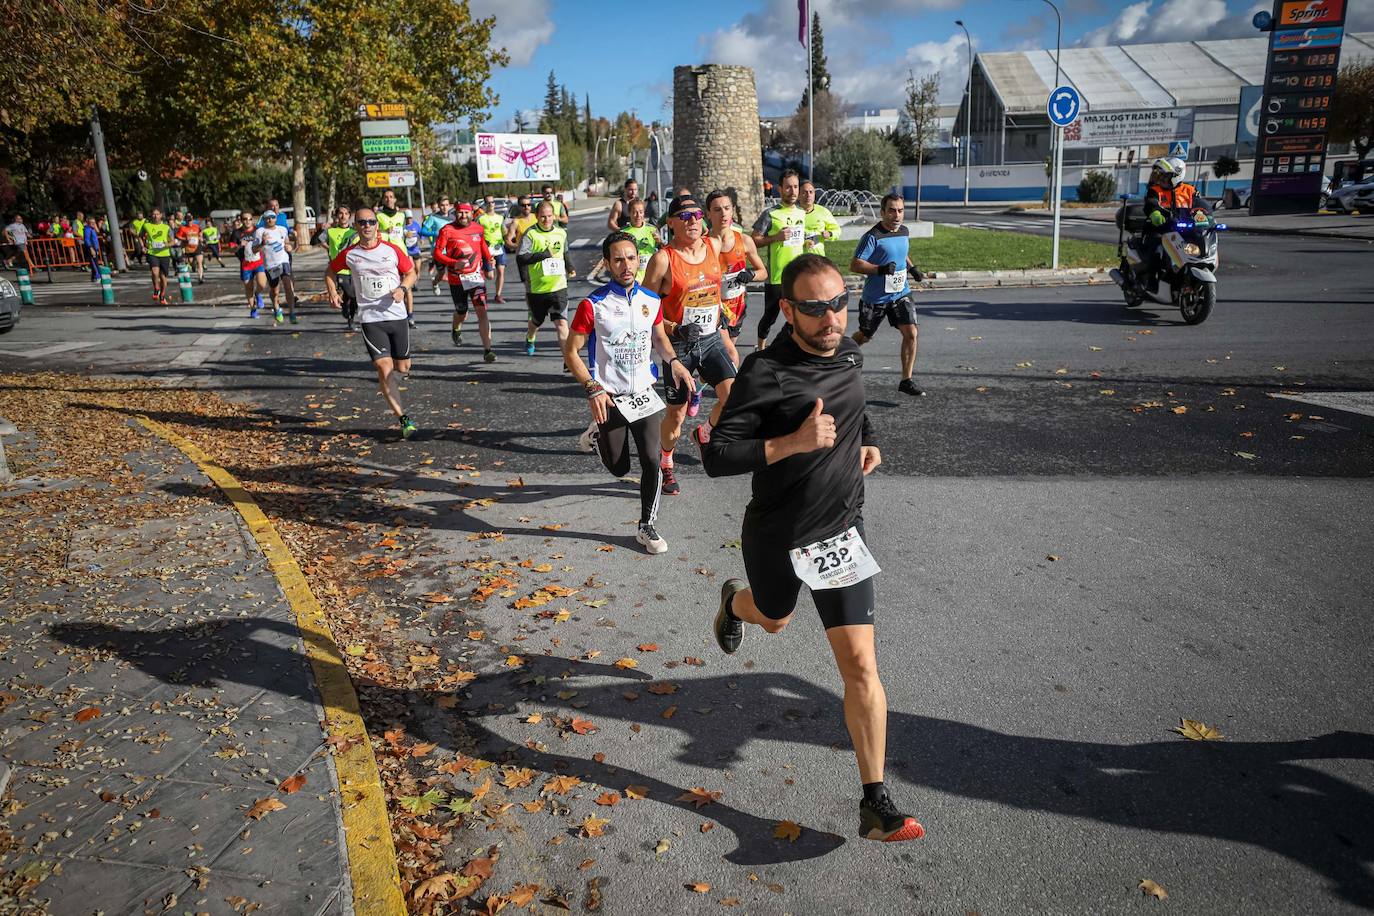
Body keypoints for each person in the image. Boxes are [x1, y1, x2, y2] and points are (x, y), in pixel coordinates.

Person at [700, 252, 924, 845]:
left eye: (837, 304)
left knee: (861, 666)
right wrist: (790, 443)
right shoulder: (764, 372)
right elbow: (716, 456)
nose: (830, 318)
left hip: (840, 531)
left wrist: (868, 439)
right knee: (774, 618)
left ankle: (875, 802)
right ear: (788, 310)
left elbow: (855, 405)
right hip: (777, 533)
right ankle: (734, 603)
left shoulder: (847, 350)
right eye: (816, 308)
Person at [564, 231, 696, 555]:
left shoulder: (651, 301)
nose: (626, 265)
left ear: (640, 260)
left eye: (631, 258)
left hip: (644, 393)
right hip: (609, 397)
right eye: (618, 259)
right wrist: (592, 388)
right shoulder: (593, 305)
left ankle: (646, 527)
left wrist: (675, 363)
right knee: (619, 468)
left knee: (652, 460)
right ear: (607, 263)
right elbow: (571, 351)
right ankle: (597, 436)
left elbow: (660, 340)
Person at [641, 194, 737, 496]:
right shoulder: (663, 259)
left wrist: (724, 330)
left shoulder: (714, 246)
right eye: (684, 216)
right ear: (671, 223)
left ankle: (705, 432)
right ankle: (666, 463)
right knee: (677, 415)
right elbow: (644, 309)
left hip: (710, 340)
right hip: (679, 348)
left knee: (733, 397)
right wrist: (675, 328)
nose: (693, 220)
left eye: (696, 214)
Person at [325, 207, 419, 439]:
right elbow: (330, 270)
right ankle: (403, 418)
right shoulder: (350, 254)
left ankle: (398, 379)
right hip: (370, 319)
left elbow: (411, 273)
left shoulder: (392, 250)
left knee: (402, 367)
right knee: (383, 367)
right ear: (356, 227)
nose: (367, 226)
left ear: (377, 225)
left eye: (371, 222)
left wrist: (402, 288)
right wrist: (332, 292)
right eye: (362, 222)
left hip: (396, 316)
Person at [850, 193, 924, 397]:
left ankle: (906, 380)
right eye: (891, 210)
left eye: (900, 210)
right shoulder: (872, 237)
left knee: (911, 333)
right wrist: (880, 269)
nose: (896, 215)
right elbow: (855, 264)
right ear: (882, 212)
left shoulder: (904, 231)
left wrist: (912, 268)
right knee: (864, 336)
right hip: (876, 298)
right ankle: (841, 350)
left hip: (901, 293)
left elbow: (901, 253)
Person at [707, 189, 766, 363]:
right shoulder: (704, 245)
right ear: (708, 214)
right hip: (714, 308)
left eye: (727, 208)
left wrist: (750, 274)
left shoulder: (745, 241)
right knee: (731, 356)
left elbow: (763, 272)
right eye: (717, 209)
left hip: (738, 307)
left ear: (732, 210)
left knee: (723, 356)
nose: (723, 213)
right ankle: (732, 389)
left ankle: (704, 382)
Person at [751, 169, 807, 350]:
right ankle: (761, 349)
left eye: (795, 187)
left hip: (797, 276)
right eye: (788, 187)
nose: (793, 191)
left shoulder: (801, 213)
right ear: (780, 189)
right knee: (770, 316)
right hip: (776, 276)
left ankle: (795, 348)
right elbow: (754, 240)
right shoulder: (770, 214)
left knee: (799, 315)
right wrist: (776, 238)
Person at [433, 203, 497, 361]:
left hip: (476, 277)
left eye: (466, 213)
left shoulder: (478, 228)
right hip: (457, 279)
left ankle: (488, 350)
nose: (463, 216)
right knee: (462, 312)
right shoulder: (447, 230)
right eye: (460, 213)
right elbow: (437, 253)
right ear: (455, 214)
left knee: (482, 311)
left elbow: (482, 247)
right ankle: (456, 327)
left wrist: (489, 261)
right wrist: (453, 263)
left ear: (472, 214)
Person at [516, 201, 575, 356]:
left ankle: (568, 360)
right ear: (536, 216)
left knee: (562, 323)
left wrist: (570, 267)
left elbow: (565, 253)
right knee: (536, 321)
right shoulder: (530, 234)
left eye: (549, 216)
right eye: (543, 217)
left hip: (558, 286)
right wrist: (543, 255)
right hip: (537, 288)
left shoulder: (561, 233)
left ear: (554, 216)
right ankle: (530, 336)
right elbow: (521, 258)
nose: (547, 220)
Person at [1141, 157, 1207, 293]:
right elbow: (1150, 203)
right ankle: (1151, 280)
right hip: (1160, 228)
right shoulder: (1155, 190)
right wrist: (1155, 214)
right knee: (1156, 248)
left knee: (1198, 240)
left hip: (1182, 229)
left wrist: (1205, 217)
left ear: (1177, 175)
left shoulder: (1190, 190)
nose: (1162, 179)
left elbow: (1200, 206)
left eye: (1166, 176)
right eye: (1162, 176)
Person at [254, 211, 297, 323]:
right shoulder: (260, 231)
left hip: (283, 260)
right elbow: (254, 249)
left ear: (276, 218)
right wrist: (262, 243)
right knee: (275, 290)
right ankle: (276, 307)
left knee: (288, 284)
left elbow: (287, 242)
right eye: (267, 218)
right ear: (264, 219)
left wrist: (289, 247)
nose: (270, 220)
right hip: (270, 264)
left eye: (272, 217)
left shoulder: (282, 229)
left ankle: (292, 312)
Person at [325, 206, 358, 329]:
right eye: (340, 213)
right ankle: (346, 309)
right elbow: (314, 241)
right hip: (339, 268)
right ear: (337, 216)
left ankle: (351, 318)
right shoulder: (331, 231)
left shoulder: (355, 232)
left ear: (349, 216)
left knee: (354, 296)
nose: (343, 216)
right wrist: (330, 250)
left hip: (354, 268)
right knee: (350, 293)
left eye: (346, 214)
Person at [232, 211, 268, 317]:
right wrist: (239, 245)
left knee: (262, 284)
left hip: (258, 262)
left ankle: (258, 294)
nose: (247, 221)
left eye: (250, 219)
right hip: (245, 264)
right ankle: (253, 309)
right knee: (249, 288)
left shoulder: (258, 230)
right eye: (244, 219)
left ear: (252, 220)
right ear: (241, 220)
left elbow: (265, 243)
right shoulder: (236, 233)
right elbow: (230, 249)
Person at [139, 209, 174, 305]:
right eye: (153, 214)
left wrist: (166, 244)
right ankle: (156, 289)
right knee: (155, 272)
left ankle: (162, 295)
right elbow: (139, 236)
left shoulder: (166, 227)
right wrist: (143, 247)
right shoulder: (147, 225)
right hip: (152, 253)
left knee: (163, 277)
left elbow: (173, 241)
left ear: (161, 215)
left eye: (157, 214)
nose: (155, 216)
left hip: (164, 254)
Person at [477, 196, 508, 303]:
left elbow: (505, 232)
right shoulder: (481, 218)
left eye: (492, 202)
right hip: (487, 248)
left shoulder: (500, 217)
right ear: (485, 205)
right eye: (488, 202)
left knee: (501, 271)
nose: (491, 204)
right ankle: (482, 289)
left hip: (499, 246)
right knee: (490, 276)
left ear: (495, 204)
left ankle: (498, 295)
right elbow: (476, 233)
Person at [504, 195, 537, 292]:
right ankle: (531, 306)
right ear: (519, 206)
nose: (526, 207)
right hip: (524, 257)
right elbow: (508, 241)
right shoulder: (516, 221)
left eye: (528, 205)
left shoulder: (537, 217)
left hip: (538, 254)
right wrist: (517, 247)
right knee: (528, 285)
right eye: (523, 205)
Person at [421, 197, 454, 294]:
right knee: (441, 273)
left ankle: (457, 290)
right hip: (439, 250)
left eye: (446, 205)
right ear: (439, 206)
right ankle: (435, 283)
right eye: (442, 205)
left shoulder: (453, 217)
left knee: (455, 271)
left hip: (452, 249)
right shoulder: (433, 217)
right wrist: (435, 233)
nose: (444, 207)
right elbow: (423, 231)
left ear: (450, 205)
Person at [800, 180, 840, 257]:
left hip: (818, 259)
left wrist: (830, 234)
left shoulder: (822, 211)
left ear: (814, 194)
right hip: (798, 260)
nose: (808, 195)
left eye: (811, 192)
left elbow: (837, 230)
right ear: (798, 195)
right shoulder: (793, 213)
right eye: (804, 192)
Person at [176, 215, 205, 283]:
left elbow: (201, 231)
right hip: (188, 248)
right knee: (191, 263)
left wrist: (201, 237)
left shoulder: (196, 226)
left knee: (199, 262)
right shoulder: (182, 228)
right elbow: (178, 237)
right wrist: (185, 239)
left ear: (192, 220)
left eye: (190, 220)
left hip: (197, 246)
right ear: (185, 221)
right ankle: (193, 264)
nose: (189, 222)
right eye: (188, 221)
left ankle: (200, 278)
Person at [82, 217, 102, 282]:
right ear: (88, 223)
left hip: (94, 248)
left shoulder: (92, 229)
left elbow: (97, 235)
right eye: (92, 223)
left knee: (95, 262)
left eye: (94, 222)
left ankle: (93, 277)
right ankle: (97, 276)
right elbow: (87, 240)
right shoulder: (87, 229)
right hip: (91, 248)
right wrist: (91, 249)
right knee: (94, 264)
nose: (93, 224)